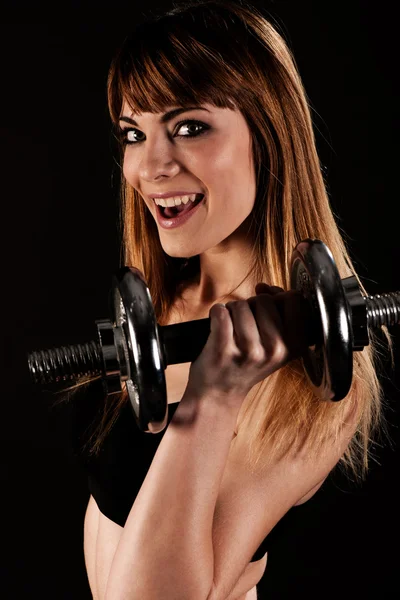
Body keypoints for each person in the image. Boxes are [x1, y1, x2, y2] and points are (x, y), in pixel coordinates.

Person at [81, 1, 390, 598]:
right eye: (133, 134)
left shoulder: (306, 389)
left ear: (267, 137)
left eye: (189, 127)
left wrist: (215, 397)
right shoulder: (162, 301)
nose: (151, 165)